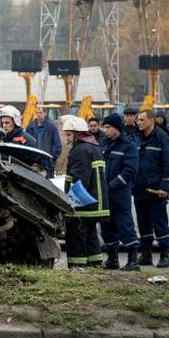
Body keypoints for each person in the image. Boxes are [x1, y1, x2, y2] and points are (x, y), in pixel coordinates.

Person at [62, 115, 109, 268]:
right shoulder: (93, 147)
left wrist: (71, 204)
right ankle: (95, 264)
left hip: (83, 205)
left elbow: (79, 180)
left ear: (78, 134)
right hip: (94, 204)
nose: (66, 138)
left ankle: (78, 268)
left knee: (76, 235)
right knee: (90, 235)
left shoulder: (80, 150)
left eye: (69, 134)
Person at [134, 109, 169, 268]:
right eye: (138, 120)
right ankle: (146, 255)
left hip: (156, 191)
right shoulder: (137, 139)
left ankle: (164, 255)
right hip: (140, 190)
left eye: (142, 120)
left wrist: (165, 186)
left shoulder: (162, 139)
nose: (139, 123)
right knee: (143, 224)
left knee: (160, 223)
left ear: (151, 121)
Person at [100, 113, 140, 271]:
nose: (105, 130)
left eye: (108, 127)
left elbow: (130, 170)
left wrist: (112, 185)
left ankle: (133, 260)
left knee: (125, 226)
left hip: (120, 194)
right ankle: (112, 259)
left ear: (117, 128)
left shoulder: (128, 145)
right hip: (106, 194)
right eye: (105, 127)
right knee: (107, 227)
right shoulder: (105, 144)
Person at [26, 106, 62, 178]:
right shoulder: (30, 127)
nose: (38, 114)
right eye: (37, 113)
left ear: (45, 113)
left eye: (40, 113)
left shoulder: (52, 128)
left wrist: (51, 158)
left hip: (47, 164)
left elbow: (57, 146)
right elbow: (26, 144)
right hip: (34, 163)